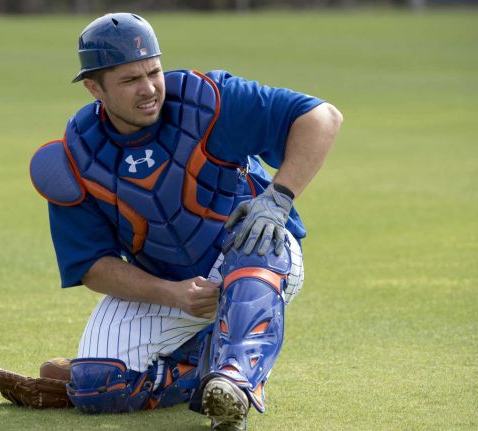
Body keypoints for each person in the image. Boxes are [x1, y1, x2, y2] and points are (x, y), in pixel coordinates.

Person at [29, 12, 342, 431]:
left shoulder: (207, 101)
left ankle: (236, 381)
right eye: (129, 80)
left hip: (257, 261)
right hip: (168, 284)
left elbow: (322, 117)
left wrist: (278, 199)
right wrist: (172, 294)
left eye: (153, 71)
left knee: (257, 238)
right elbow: (92, 265)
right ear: (94, 88)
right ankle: (208, 358)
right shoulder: (74, 157)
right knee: (96, 387)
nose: (148, 89)